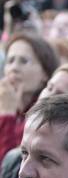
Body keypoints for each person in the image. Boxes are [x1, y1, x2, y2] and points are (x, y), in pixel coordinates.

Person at [0, 32, 59, 162]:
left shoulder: (47, 117)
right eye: (10, 61)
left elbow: (9, 169)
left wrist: (7, 116)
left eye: (23, 61)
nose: (14, 68)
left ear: (45, 72)